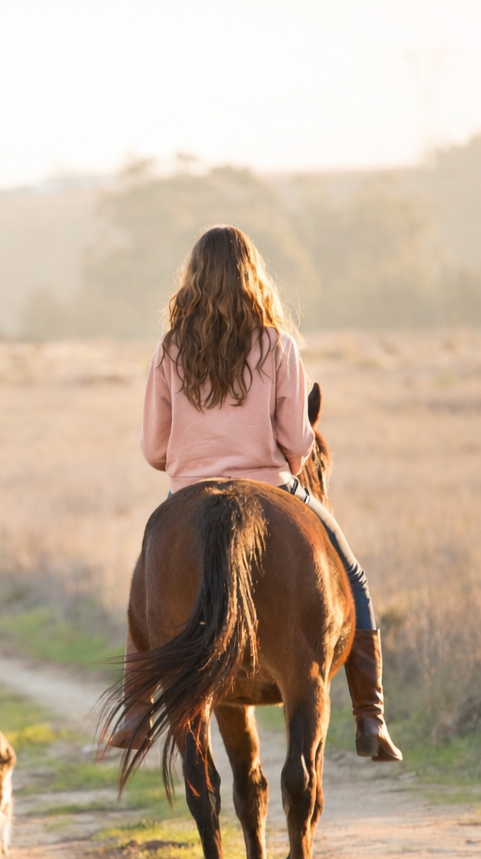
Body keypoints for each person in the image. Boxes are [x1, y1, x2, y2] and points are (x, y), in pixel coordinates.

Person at [110, 224, 401, 762]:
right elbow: (296, 442)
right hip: (273, 486)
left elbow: (154, 449)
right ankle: (371, 717)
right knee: (352, 573)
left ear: (192, 279)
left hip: (188, 492)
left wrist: (193, 461)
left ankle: (133, 713)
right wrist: (285, 457)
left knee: (144, 582)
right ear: (253, 278)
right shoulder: (277, 345)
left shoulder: (171, 350)